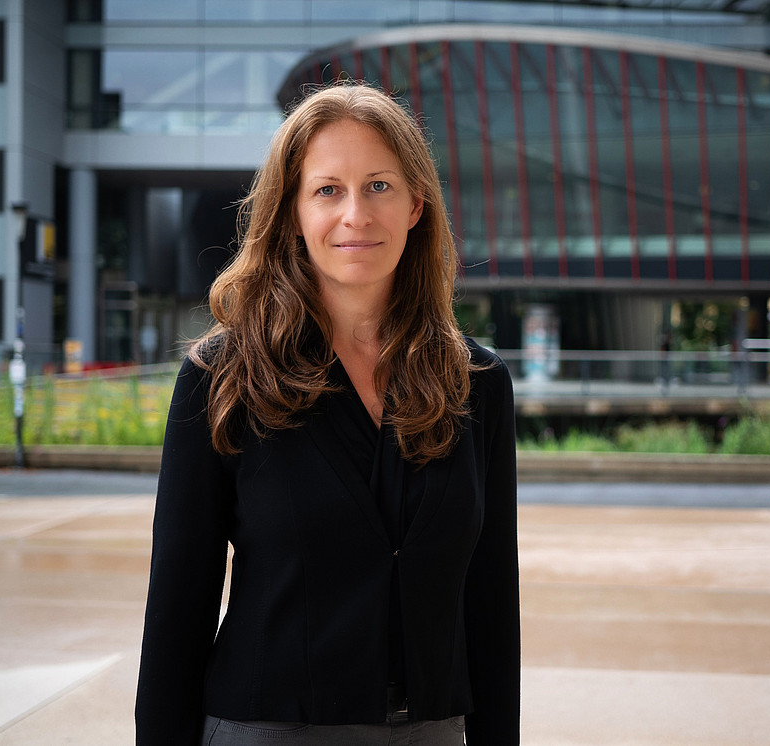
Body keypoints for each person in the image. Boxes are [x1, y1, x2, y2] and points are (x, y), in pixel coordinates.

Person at [134, 84, 520, 746]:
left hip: (434, 731)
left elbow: (490, 604)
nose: (355, 214)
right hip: (268, 730)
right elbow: (178, 611)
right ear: (291, 212)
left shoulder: (477, 384)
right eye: (327, 190)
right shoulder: (221, 377)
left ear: (416, 206)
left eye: (378, 186)